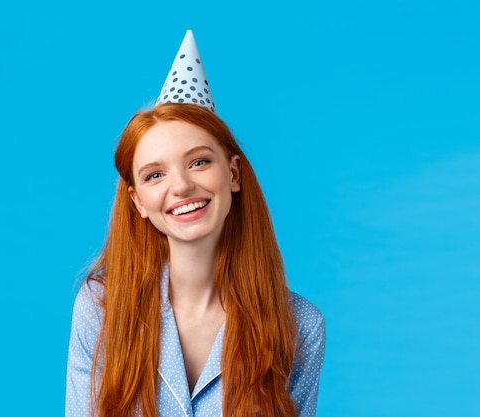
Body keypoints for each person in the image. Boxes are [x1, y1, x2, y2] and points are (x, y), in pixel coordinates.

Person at [66, 31, 325, 417]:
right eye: (154, 175)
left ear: (233, 174)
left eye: (199, 162)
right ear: (137, 201)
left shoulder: (301, 327)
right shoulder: (100, 308)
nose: (182, 186)